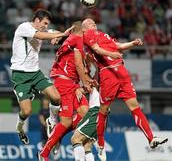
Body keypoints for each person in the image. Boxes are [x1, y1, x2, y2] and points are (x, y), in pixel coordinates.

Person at [81, 18, 168, 154]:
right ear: (84, 29)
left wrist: (133, 43)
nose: (93, 22)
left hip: (122, 73)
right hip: (108, 74)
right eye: (89, 22)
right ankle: (101, 143)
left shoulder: (103, 35)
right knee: (103, 110)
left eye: (93, 22)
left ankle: (151, 138)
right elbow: (96, 50)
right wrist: (111, 54)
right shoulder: (88, 34)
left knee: (135, 107)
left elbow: (119, 46)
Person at [10, 9, 73, 145]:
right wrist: (60, 34)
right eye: (44, 23)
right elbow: (41, 36)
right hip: (20, 75)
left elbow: (52, 33)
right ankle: (19, 128)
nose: (46, 26)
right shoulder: (24, 27)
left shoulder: (43, 30)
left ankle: (51, 120)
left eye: (47, 24)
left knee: (56, 97)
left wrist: (58, 35)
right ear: (37, 20)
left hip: (35, 73)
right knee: (27, 111)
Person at [38, 21, 93, 160]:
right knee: (67, 122)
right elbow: (79, 65)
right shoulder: (78, 39)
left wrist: (55, 36)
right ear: (83, 30)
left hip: (72, 83)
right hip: (64, 82)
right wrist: (85, 83)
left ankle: (57, 134)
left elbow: (56, 32)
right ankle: (44, 153)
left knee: (85, 113)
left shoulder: (70, 37)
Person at [71, 86, 107, 161]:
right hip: (103, 114)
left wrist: (79, 89)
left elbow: (89, 87)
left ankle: (101, 145)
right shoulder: (110, 83)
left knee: (76, 139)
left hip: (95, 111)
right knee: (86, 146)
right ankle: (100, 145)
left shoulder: (97, 79)